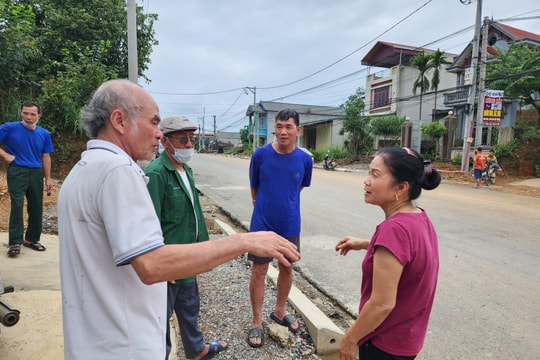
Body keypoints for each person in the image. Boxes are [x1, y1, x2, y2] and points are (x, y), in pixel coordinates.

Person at [57, 79, 299, 360]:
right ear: (119, 120)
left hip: (95, 342)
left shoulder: (84, 168)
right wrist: (245, 240)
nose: (159, 134)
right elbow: (151, 264)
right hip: (124, 346)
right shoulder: (118, 172)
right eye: (154, 122)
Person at [334, 147, 441, 360]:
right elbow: (410, 255)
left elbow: (382, 304)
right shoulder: (418, 217)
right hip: (407, 339)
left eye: (375, 175)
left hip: (384, 343)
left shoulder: (393, 230)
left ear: (400, 187)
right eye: (368, 172)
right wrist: (366, 243)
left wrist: (350, 339)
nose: (366, 181)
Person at [145, 115, 228, 360]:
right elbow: (150, 224)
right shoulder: (157, 174)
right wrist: (162, 265)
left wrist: (202, 251)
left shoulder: (186, 170)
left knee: (190, 307)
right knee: (161, 317)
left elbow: (194, 214)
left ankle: (196, 350)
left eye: (192, 139)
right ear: (167, 142)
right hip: (168, 263)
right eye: (184, 140)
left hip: (188, 258)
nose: (190, 145)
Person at [247, 108, 313, 348]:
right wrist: (264, 205)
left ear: (298, 130)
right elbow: (254, 187)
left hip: (289, 225)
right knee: (259, 271)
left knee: (286, 267)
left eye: (288, 127)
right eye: (279, 126)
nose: (283, 132)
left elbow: (299, 187)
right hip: (262, 224)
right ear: (274, 128)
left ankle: (280, 311)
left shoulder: (305, 159)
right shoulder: (260, 155)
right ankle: (256, 320)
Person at [0, 101, 54, 257]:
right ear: (20, 112)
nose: (29, 117)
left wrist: (48, 179)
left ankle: (31, 239)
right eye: (25, 113)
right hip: (17, 171)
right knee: (17, 205)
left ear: (39, 115)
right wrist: (5, 155)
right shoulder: (9, 128)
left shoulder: (44, 134)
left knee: (36, 206)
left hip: (36, 172)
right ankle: (15, 242)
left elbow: (46, 156)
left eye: (32, 114)